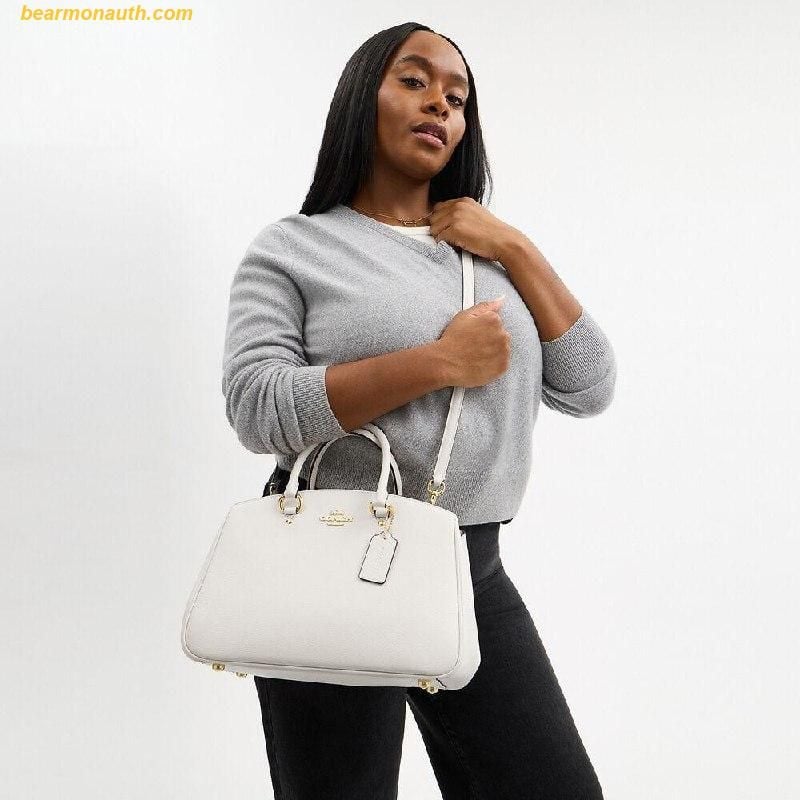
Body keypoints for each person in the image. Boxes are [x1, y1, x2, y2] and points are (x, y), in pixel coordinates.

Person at [221, 21, 616, 800]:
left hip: (471, 568)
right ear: (361, 99)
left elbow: (589, 384)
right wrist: (438, 362)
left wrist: (515, 247)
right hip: (329, 565)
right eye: (414, 80)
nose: (440, 102)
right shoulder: (293, 249)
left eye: (458, 98)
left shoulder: (489, 258)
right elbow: (257, 406)